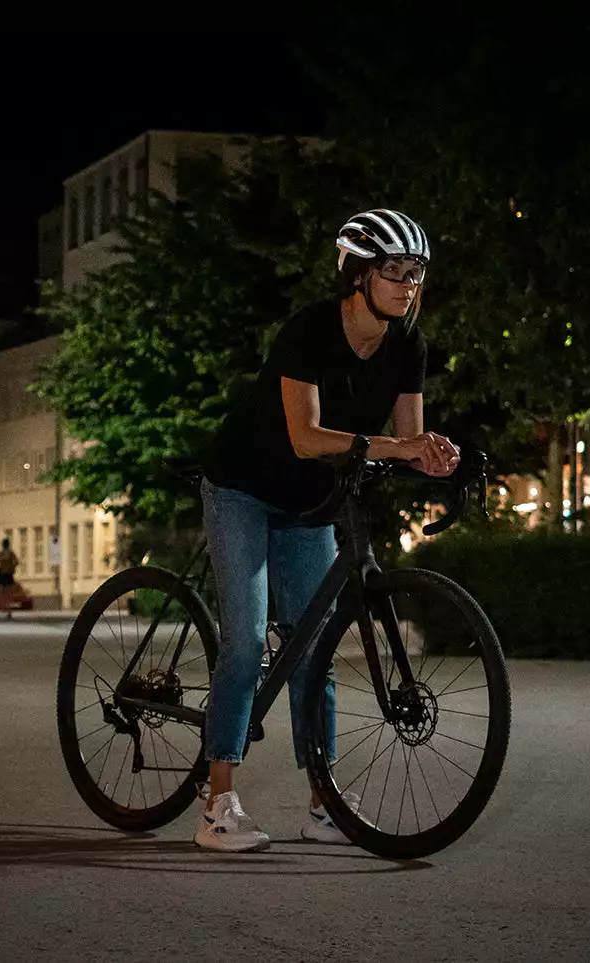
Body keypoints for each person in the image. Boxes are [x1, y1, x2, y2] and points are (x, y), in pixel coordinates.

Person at [193, 209, 460, 853]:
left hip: (311, 502)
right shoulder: (309, 331)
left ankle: (324, 805)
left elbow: (405, 439)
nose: (408, 286)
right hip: (242, 488)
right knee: (246, 640)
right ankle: (218, 805)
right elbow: (306, 437)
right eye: (395, 272)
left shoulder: (408, 346)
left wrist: (432, 454)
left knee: (315, 648)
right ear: (359, 275)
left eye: (416, 273)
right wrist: (393, 447)